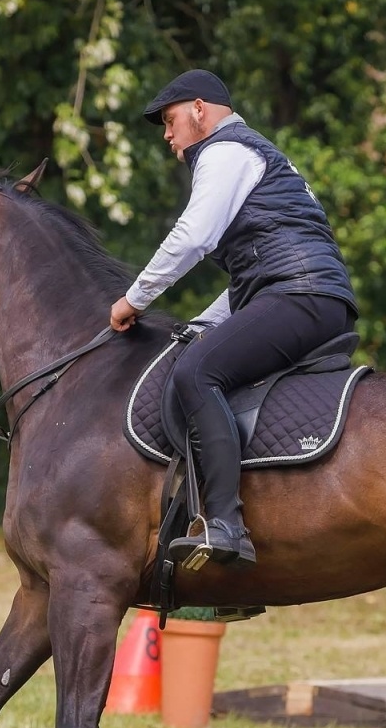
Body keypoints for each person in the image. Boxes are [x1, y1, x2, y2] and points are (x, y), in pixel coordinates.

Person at [109, 69, 358, 570]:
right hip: (307, 294)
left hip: (298, 295)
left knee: (196, 374)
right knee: (198, 352)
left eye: (170, 120)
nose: (167, 134)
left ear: (199, 109)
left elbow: (193, 237)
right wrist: (199, 325)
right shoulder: (253, 153)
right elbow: (252, 277)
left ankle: (225, 524)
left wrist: (133, 299)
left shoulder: (225, 151)